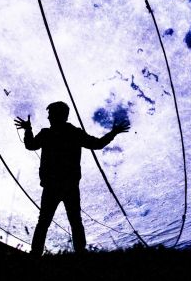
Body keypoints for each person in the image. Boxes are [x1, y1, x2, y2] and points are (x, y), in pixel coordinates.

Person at [14, 101, 129, 256]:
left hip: (54, 186)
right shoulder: (72, 133)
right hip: (68, 186)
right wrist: (113, 132)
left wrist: (28, 130)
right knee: (74, 222)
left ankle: (36, 254)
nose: (48, 117)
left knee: (45, 222)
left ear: (57, 116)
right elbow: (98, 144)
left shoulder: (49, 134)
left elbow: (31, 145)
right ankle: (79, 253)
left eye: (50, 114)